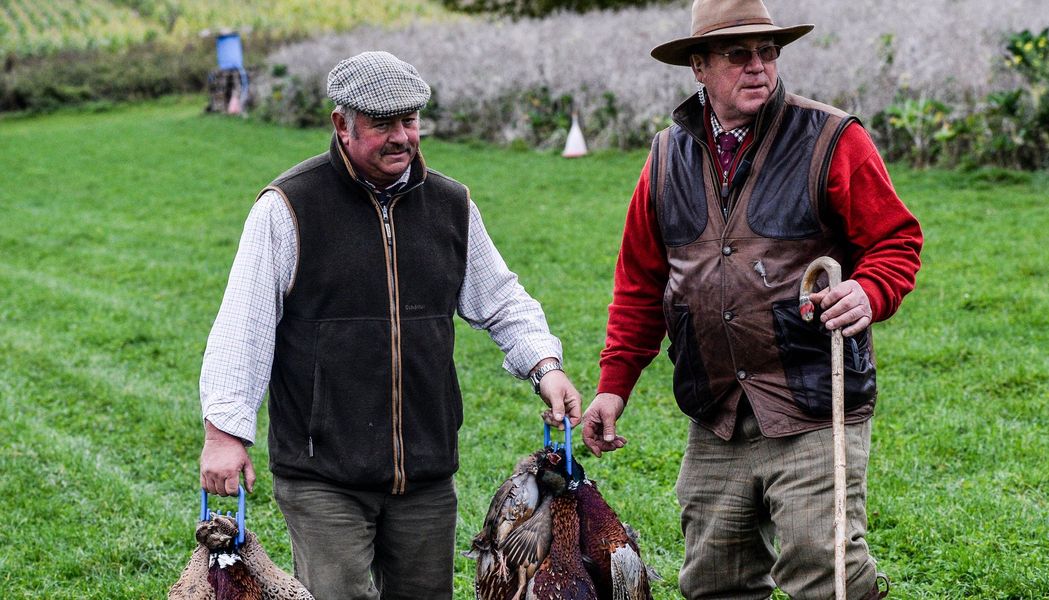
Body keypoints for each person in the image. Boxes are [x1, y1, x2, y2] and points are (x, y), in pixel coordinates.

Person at [197, 51, 582, 600]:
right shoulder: (288, 207)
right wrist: (223, 433)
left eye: (411, 120)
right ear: (341, 124)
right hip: (322, 470)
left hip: (425, 469)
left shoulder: (450, 205)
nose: (402, 136)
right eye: (383, 124)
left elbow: (501, 300)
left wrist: (546, 366)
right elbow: (243, 325)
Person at [579, 1, 923, 599]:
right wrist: (614, 385)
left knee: (825, 568)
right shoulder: (665, 157)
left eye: (768, 52)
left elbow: (896, 240)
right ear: (699, 67)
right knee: (714, 579)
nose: (758, 67)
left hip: (814, 398)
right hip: (716, 408)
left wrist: (868, 292)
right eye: (738, 55)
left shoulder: (833, 138)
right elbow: (641, 281)